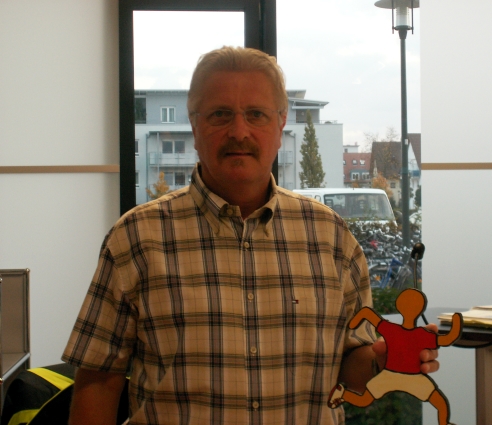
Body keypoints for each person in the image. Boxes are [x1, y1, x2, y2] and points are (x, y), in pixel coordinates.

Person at [62, 46, 439, 425]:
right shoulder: (136, 239)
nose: (239, 131)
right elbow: (99, 381)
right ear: (194, 126)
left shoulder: (331, 238)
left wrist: (382, 359)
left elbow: (351, 368)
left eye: (256, 114)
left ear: (280, 124)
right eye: (220, 114)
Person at [327, 289, 462, 425]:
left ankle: (342, 394)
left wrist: (356, 320)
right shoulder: (417, 333)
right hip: (399, 376)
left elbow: (368, 314)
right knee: (440, 403)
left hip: (400, 376)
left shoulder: (396, 330)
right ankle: (342, 394)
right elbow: (448, 338)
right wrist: (456, 322)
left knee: (364, 399)